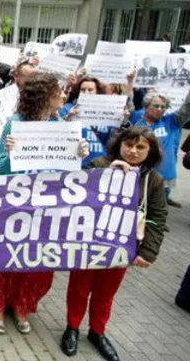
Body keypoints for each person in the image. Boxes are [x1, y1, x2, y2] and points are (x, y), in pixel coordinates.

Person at [0, 73, 89, 335]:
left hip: (48, 209)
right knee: (7, 255)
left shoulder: (64, 127)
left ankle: (23, 304)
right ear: (45, 95)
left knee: (38, 260)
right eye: (60, 91)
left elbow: (70, 175)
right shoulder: (15, 124)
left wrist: (79, 157)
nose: (65, 96)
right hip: (16, 206)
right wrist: (9, 153)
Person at [61, 127, 167, 361]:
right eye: (128, 145)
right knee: (79, 287)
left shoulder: (153, 180)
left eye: (140, 147)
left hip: (121, 248)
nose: (132, 151)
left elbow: (158, 218)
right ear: (119, 144)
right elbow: (77, 192)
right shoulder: (99, 164)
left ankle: (97, 332)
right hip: (89, 242)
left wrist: (148, 252)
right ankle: (72, 328)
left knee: (105, 292)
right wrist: (106, 173)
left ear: (150, 151)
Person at [129, 90, 190, 208]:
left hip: (162, 178)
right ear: (146, 106)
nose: (160, 109)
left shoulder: (171, 121)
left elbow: (186, 110)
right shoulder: (135, 118)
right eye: (156, 106)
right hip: (137, 175)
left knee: (156, 212)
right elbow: (127, 101)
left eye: (163, 107)